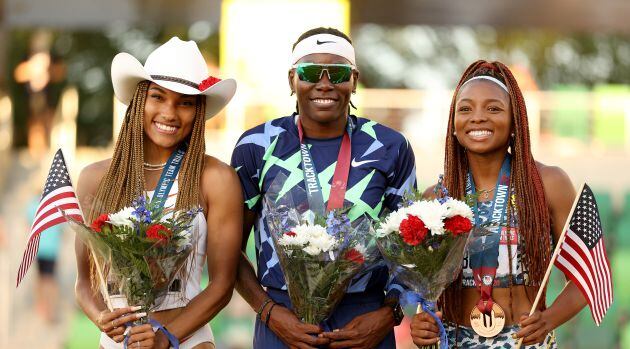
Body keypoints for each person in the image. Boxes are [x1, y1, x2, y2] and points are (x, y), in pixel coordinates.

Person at [230, 27, 417, 349]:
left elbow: (411, 245)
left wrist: (390, 313)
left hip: (364, 318)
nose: (325, 83)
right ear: (292, 80)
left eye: (339, 73)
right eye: (311, 72)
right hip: (283, 318)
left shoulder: (389, 146)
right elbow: (228, 249)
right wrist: (269, 312)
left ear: (355, 80)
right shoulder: (257, 145)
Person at [74, 37, 243, 349]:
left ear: (199, 111)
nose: (170, 112)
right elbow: (85, 282)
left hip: (187, 342)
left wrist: (167, 337)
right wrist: (100, 317)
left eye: (185, 102)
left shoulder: (217, 179)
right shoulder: (94, 178)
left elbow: (222, 285)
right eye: (158, 97)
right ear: (140, 100)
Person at [410, 60, 587, 348]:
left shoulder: (549, 184)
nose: (478, 117)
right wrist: (422, 323)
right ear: (453, 126)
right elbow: (426, 289)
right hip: (454, 341)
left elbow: (585, 275)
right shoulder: (436, 198)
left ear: (515, 120)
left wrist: (549, 318)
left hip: (524, 341)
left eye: (493, 108)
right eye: (465, 109)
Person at [27, 190, 63, 324]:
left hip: (38, 249)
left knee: (41, 280)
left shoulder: (32, 205)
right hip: (52, 250)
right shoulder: (55, 207)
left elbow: (28, 225)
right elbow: (61, 230)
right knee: (50, 281)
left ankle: (42, 307)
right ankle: (50, 310)